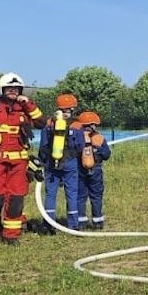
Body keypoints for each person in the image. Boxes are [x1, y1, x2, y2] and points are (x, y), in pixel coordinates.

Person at [0, 72, 45, 245]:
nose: (13, 91)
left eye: (16, 88)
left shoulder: (24, 107)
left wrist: (28, 104)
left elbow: (41, 123)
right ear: (2, 89)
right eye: (9, 88)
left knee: (16, 198)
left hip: (18, 162)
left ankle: (11, 235)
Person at [38, 93, 85, 233]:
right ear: (72, 108)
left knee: (50, 194)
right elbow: (80, 146)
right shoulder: (77, 125)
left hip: (51, 162)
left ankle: (48, 225)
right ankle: (73, 225)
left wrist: (44, 161)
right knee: (72, 193)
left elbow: (43, 145)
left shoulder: (49, 123)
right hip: (70, 162)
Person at [75, 110, 112, 230]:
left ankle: (81, 222)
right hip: (95, 170)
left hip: (79, 170)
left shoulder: (76, 137)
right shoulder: (99, 138)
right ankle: (97, 222)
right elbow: (106, 155)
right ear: (93, 125)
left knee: (80, 196)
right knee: (96, 196)